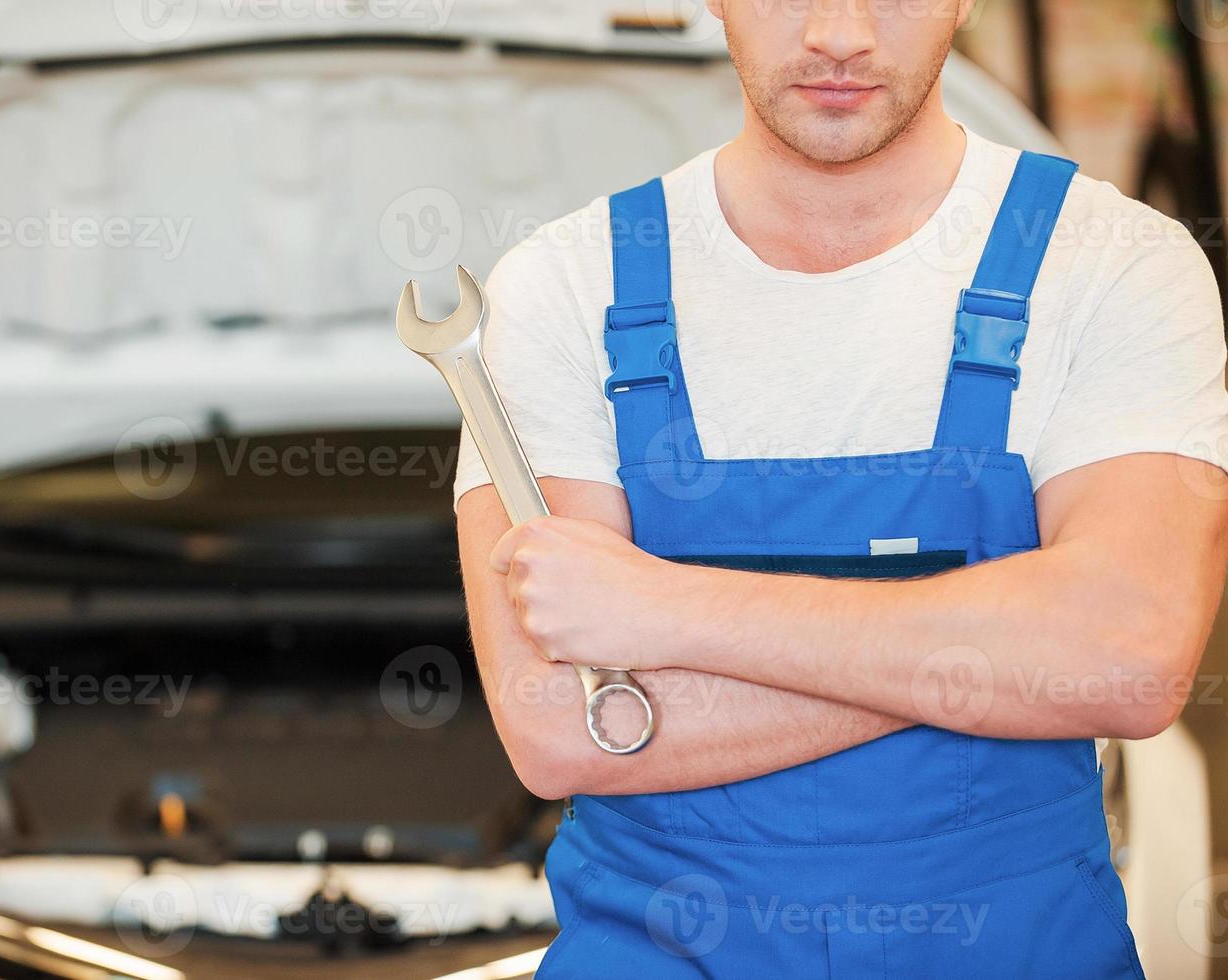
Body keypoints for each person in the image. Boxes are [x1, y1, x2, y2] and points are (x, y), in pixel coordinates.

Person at [452, 1, 1228, 976]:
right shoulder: (565, 286)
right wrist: (1002, 645)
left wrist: (664, 607)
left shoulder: (1119, 266)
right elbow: (565, 725)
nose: (838, 34)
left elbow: (1127, 654)